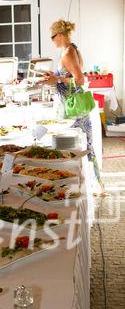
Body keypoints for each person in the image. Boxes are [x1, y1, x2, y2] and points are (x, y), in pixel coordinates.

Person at [41, 19, 104, 192]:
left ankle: (77, 186)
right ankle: (95, 184)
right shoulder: (73, 48)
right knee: (85, 145)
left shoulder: (67, 53)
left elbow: (79, 79)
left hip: (72, 108)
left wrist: (57, 79)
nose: (52, 40)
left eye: (53, 37)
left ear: (60, 35)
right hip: (75, 106)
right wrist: (54, 76)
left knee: (71, 146)